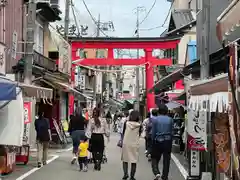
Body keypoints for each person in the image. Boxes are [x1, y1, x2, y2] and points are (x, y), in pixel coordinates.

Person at [151, 104, 173, 180]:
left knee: (154, 158)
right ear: (166, 111)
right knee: (167, 160)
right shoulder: (170, 119)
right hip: (167, 141)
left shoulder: (155, 119)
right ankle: (165, 176)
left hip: (158, 140)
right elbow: (171, 131)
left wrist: (152, 142)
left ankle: (157, 172)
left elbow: (153, 132)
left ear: (158, 111)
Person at [121, 110, 142, 180]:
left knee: (125, 159)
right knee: (134, 160)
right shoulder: (139, 125)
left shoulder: (126, 123)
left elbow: (123, 132)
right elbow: (139, 134)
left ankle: (125, 174)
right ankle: (132, 176)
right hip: (134, 143)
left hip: (126, 143)